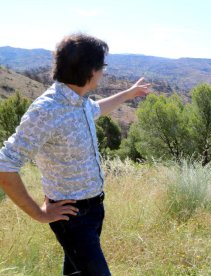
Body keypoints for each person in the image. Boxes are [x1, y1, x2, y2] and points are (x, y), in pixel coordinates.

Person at [0, 33, 150, 275]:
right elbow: (5, 165)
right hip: (72, 217)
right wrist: (38, 214)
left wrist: (129, 93)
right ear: (91, 71)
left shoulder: (78, 102)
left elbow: (97, 109)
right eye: (102, 66)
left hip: (94, 209)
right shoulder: (47, 110)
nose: (103, 72)